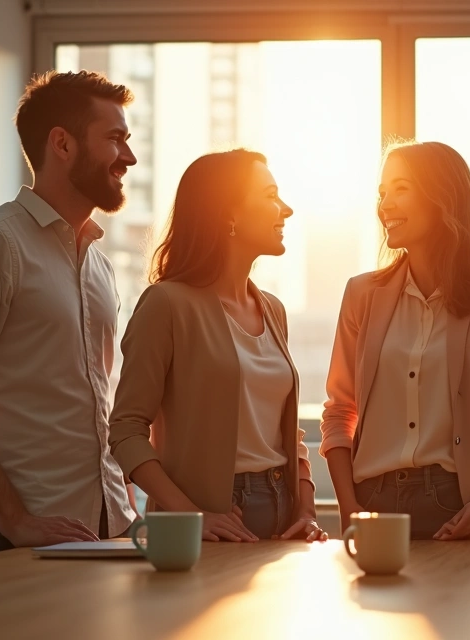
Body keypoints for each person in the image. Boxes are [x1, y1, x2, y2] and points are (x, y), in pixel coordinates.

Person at [0, 71, 140, 555]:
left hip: (108, 529)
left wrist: (126, 507)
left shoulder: (99, 264)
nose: (129, 157)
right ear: (62, 144)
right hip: (17, 537)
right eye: (115, 139)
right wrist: (14, 518)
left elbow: (101, 400)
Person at [321, 141, 470, 541]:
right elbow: (339, 413)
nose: (385, 204)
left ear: (442, 197)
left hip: (461, 504)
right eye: (382, 193)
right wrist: (349, 507)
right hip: (374, 503)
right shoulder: (361, 295)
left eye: (400, 189)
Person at [107, 150, 325, 543]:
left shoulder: (273, 309)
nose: (287, 209)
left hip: (283, 511)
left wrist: (306, 510)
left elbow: (286, 434)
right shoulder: (166, 304)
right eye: (271, 195)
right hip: (211, 520)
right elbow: (125, 431)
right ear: (230, 215)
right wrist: (193, 515)